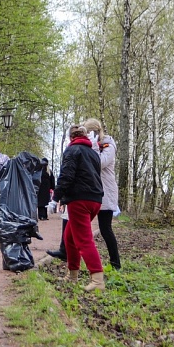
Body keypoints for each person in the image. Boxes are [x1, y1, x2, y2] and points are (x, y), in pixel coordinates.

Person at [51, 124, 105, 291]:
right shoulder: (93, 153)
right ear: (85, 136)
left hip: (80, 200)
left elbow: (66, 176)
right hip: (95, 200)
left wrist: (56, 198)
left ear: (70, 138)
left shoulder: (72, 151)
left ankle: (97, 280)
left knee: (83, 239)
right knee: (70, 238)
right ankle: (72, 275)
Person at [82, 118, 121, 270]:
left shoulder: (108, 146)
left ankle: (115, 263)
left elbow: (99, 163)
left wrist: (92, 146)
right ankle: (71, 255)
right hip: (92, 192)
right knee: (81, 228)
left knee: (105, 229)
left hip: (106, 192)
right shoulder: (93, 145)